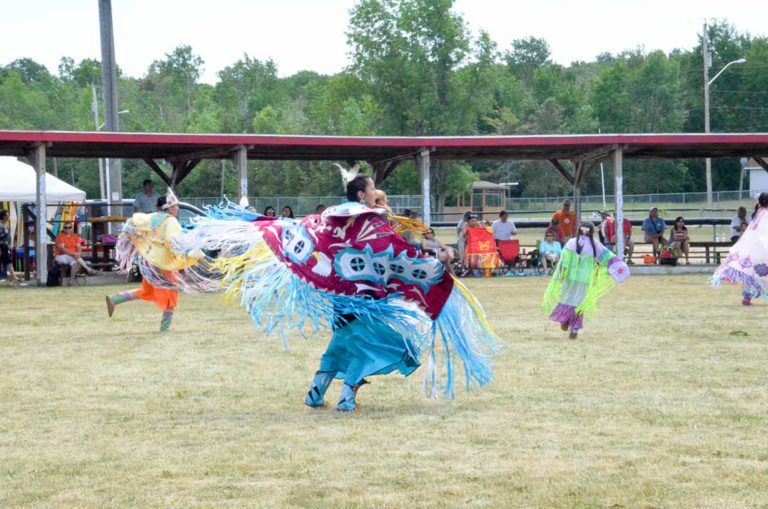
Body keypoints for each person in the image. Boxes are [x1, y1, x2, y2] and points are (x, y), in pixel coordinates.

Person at [179, 170, 498, 411]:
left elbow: (314, 232)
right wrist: (435, 260)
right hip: (360, 298)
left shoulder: (334, 215)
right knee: (380, 345)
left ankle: (316, 392)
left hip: (343, 297)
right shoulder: (365, 220)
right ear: (361, 194)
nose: (375, 193)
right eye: (372, 189)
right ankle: (346, 396)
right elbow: (392, 250)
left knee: (345, 341)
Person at [107, 190, 200, 332]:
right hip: (164, 265)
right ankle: (164, 329)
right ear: (169, 208)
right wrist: (183, 253)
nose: (177, 208)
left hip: (151, 263)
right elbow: (172, 241)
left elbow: (130, 223)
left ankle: (114, 299)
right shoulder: (170, 221)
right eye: (175, 206)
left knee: (145, 291)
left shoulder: (153, 217)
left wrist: (136, 239)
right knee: (170, 296)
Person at [542, 222, 630, 339]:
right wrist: (621, 268)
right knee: (579, 303)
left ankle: (565, 320)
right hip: (584, 279)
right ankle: (574, 328)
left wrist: (560, 274)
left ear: (579, 230)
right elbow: (608, 258)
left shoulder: (572, 242)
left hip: (570, 277)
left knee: (566, 299)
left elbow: (564, 261)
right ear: (592, 232)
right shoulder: (595, 245)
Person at [712, 193, 768, 306]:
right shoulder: (764, 214)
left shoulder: (758, 213)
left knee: (750, 272)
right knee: (754, 272)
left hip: (753, 247)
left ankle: (747, 298)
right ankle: (748, 297)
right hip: (761, 248)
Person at [0, 210, 19, 283]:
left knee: (8, 261)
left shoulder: (3, 225)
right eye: (8, 215)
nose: (9, 217)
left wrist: (8, 245)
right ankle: (13, 277)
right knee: (8, 261)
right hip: (2, 247)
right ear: (4, 216)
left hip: (4, 247)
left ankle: (13, 277)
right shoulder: (1, 226)